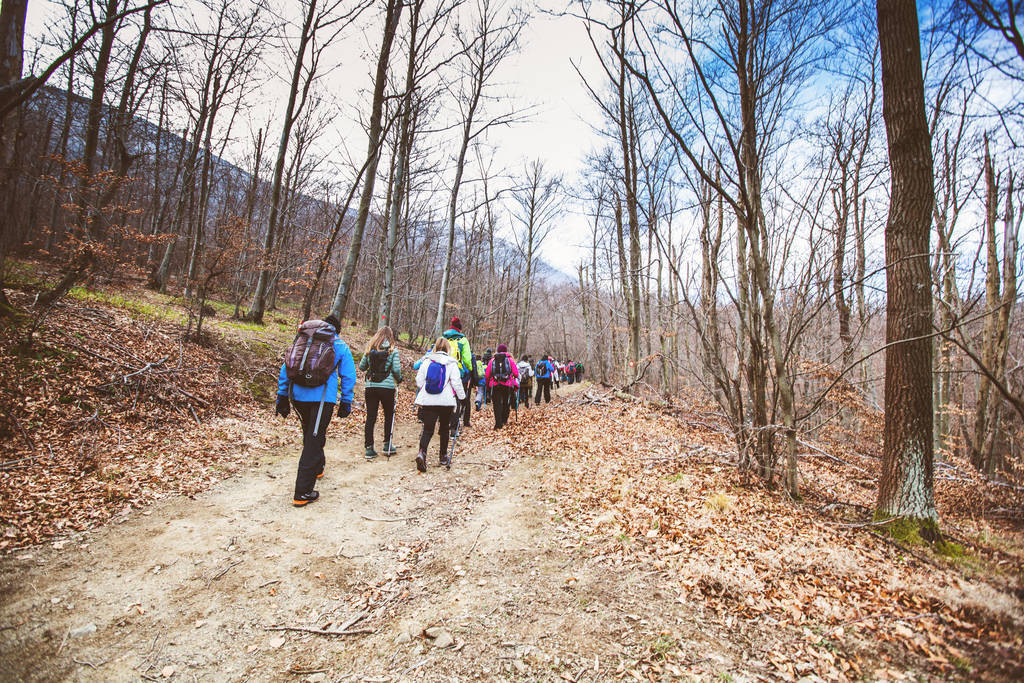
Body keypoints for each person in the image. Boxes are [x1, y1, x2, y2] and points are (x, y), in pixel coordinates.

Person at [276, 313, 356, 507]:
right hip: (322, 399)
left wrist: (282, 395)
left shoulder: (304, 341)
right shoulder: (339, 346)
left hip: (298, 396)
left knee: (311, 433)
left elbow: (287, 366)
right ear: (337, 330)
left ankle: (318, 467)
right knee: (313, 439)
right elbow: (348, 375)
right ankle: (302, 492)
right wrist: (346, 400)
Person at [413, 337, 465, 472]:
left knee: (428, 429)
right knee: (444, 429)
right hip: (446, 401)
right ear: (448, 349)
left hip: (429, 401)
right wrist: (462, 397)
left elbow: (419, 381)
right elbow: (456, 382)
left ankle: (422, 453)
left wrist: (427, 387)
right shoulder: (451, 363)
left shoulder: (427, 361)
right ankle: (443, 456)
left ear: (435, 347)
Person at [358, 326, 402, 460]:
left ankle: (369, 448)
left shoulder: (370, 348)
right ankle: (387, 445)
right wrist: (399, 379)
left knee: (371, 416)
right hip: (387, 387)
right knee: (389, 415)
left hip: (371, 386)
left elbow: (362, 367)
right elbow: (396, 369)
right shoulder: (393, 350)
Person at [442, 317, 474, 434]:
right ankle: (453, 428)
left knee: (444, 396)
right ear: (460, 328)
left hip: (443, 370)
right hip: (458, 372)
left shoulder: (443, 337)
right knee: (456, 399)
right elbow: (466, 358)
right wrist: (470, 369)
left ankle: (443, 424)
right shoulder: (463, 340)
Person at [485, 343, 520, 429]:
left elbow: (487, 375)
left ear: (497, 351)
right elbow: (516, 373)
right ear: (506, 350)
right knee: (506, 402)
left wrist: (488, 385)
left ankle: (498, 424)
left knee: (497, 404)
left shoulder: (492, 360)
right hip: (507, 384)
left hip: (495, 384)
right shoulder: (510, 360)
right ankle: (504, 420)